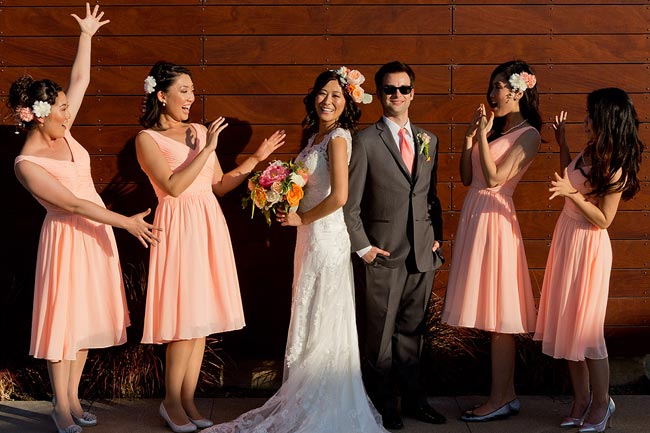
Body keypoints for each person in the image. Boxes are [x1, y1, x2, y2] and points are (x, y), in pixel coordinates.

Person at [205, 67, 387, 433]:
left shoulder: (338, 137)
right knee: (306, 307)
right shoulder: (313, 138)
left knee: (323, 311)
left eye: (336, 95)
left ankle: (322, 400)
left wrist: (303, 220)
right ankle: (303, 395)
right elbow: (307, 187)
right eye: (323, 93)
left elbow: (340, 196)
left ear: (347, 101)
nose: (328, 100)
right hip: (308, 238)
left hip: (326, 238)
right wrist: (283, 198)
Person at [9, 4, 159, 433]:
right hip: (67, 239)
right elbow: (72, 204)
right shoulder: (27, 162)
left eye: (65, 107)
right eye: (60, 108)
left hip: (95, 233)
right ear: (39, 114)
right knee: (65, 322)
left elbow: (80, 79)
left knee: (87, 320)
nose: (67, 112)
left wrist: (87, 35)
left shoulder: (64, 128)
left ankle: (73, 402)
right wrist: (125, 222)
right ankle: (59, 409)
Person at [135, 61, 285, 433]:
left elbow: (217, 185)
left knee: (200, 323)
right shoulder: (146, 139)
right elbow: (172, 186)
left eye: (192, 89)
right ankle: (170, 404)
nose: (190, 96)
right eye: (183, 90)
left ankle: (187, 401)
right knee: (184, 322)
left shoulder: (200, 131)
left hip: (207, 224)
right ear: (161, 94)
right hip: (178, 227)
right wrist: (208, 148)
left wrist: (257, 158)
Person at [343, 61, 445, 430]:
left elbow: (430, 197)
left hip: (422, 256)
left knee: (412, 335)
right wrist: (364, 247)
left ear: (413, 93)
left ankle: (416, 401)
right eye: (390, 89)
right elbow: (349, 205)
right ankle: (385, 406)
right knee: (379, 339)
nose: (397, 95)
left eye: (403, 89)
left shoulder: (428, 140)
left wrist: (437, 237)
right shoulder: (365, 141)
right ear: (379, 94)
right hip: (382, 257)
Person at [534, 88, 643, 432]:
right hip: (567, 237)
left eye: (590, 114)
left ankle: (601, 404)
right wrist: (563, 143)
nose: (585, 118)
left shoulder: (617, 165)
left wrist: (572, 196)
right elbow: (569, 181)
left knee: (589, 331)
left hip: (590, 246)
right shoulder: (591, 150)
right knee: (568, 324)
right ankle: (580, 401)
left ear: (606, 118)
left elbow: (604, 219)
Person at [441, 59, 542, 422]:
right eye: (493, 86)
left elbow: (497, 179)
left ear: (518, 91)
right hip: (476, 215)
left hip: (497, 222)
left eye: (499, 85)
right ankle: (505, 395)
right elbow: (469, 176)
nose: (492, 93)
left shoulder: (529, 135)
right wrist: (471, 137)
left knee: (501, 315)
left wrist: (482, 136)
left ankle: (500, 397)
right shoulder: (496, 132)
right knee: (489, 311)